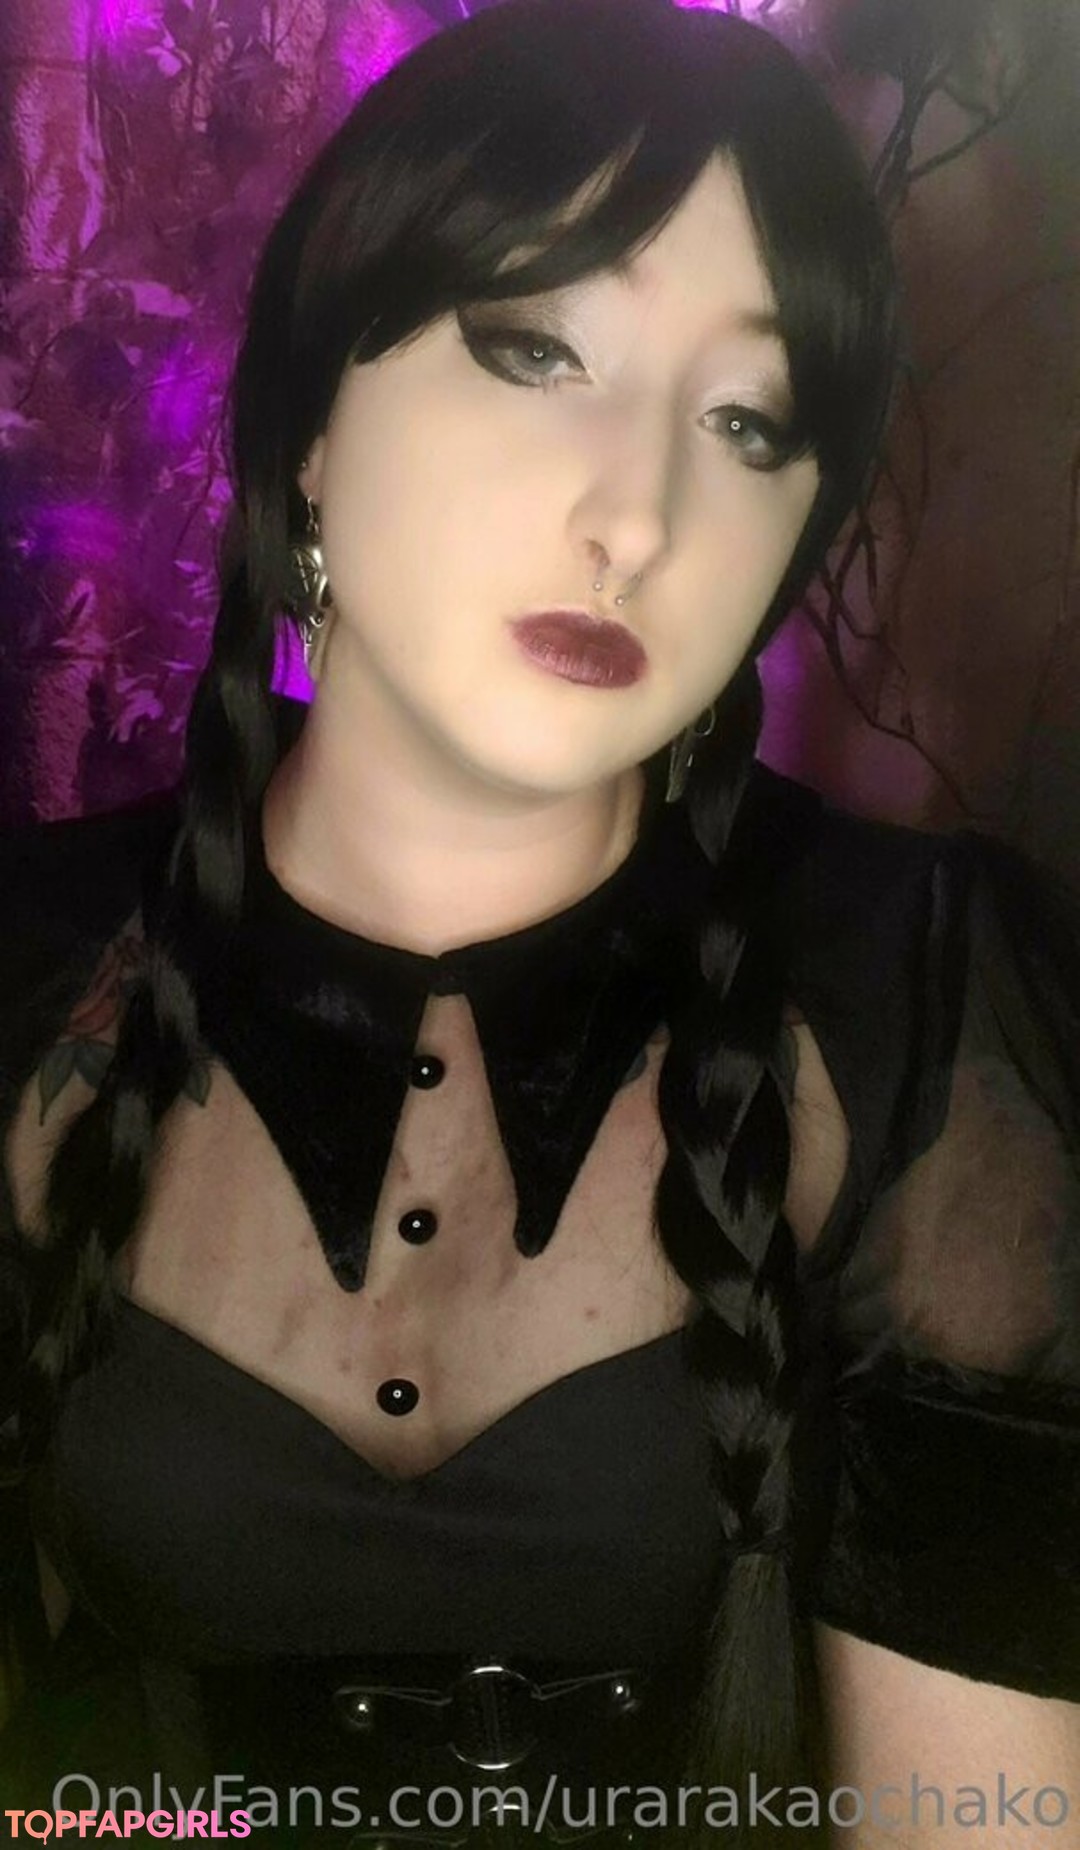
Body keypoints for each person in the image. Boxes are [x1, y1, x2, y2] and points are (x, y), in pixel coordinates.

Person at [1, 0, 1078, 1844]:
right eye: (534, 348)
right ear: (313, 421)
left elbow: (979, 1813)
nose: (637, 514)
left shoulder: (919, 991)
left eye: (746, 419)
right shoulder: (35, 964)